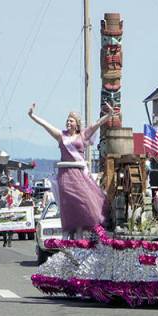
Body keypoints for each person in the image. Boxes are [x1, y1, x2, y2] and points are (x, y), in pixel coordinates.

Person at [28, 102, 114, 239]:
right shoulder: (60, 136)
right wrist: (32, 115)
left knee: (83, 202)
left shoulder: (83, 135)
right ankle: (66, 232)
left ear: (77, 124)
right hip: (65, 175)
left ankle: (80, 232)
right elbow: (45, 125)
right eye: (67, 120)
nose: (68, 122)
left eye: (71, 120)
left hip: (79, 174)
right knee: (68, 205)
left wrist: (109, 114)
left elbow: (97, 123)